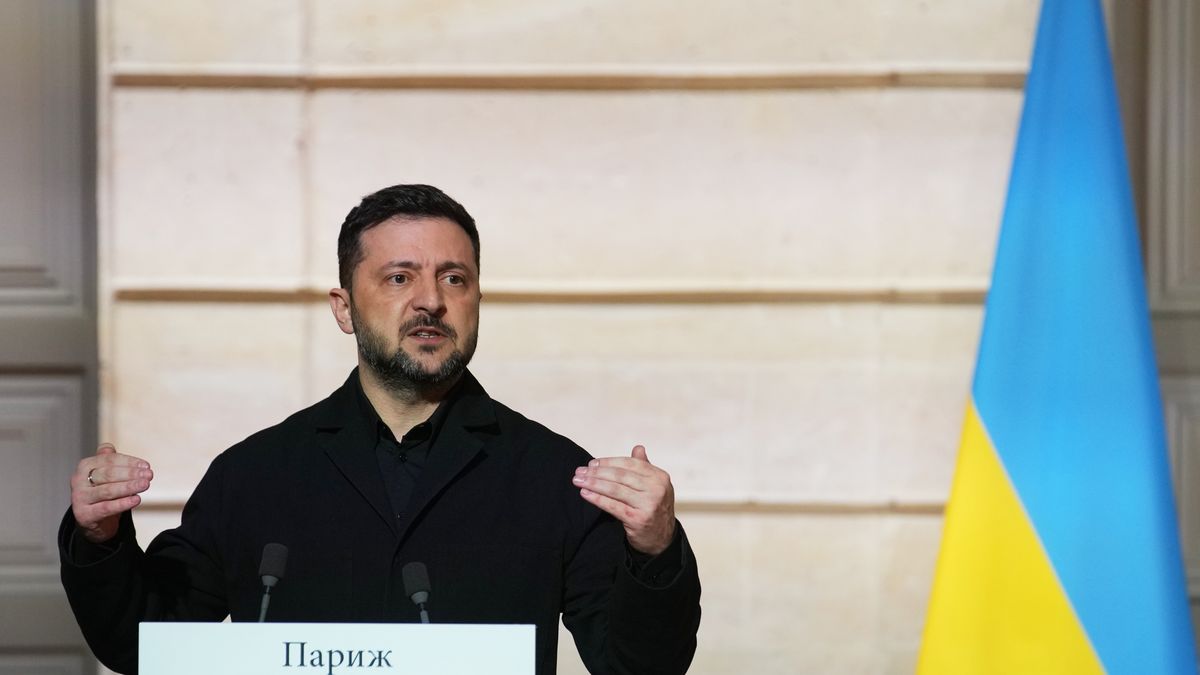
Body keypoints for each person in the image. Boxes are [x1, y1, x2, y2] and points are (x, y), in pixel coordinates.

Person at [59, 184, 702, 675]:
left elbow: (637, 665)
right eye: (399, 277)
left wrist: (654, 548)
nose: (430, 300)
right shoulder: (257, 473)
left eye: (455, 278)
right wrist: (100, 537)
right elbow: (147, 642)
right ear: (345, 308)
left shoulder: (554, 474)